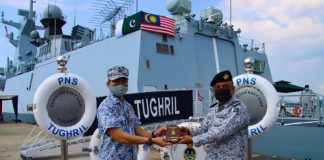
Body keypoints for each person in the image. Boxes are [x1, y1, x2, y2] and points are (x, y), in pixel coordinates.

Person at [97, 66, 170, 160]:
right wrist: (153, 141)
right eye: (116, 81)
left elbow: (139, 131)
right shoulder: (106, 107)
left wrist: (155, 133)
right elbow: (121, 137)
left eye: (123, 82)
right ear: (108, 84)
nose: (120, 85)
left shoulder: (128, 106)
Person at [179, 70, 250, 159]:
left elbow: (222, 132)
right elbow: (204, 128)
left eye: (225, 86)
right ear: (214, 90)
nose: (221, 89)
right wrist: (189, 132)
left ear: (233, 88)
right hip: (211, 156)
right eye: (218, 87)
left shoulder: (238, 108)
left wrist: (193, 140)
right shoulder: (214, 108)